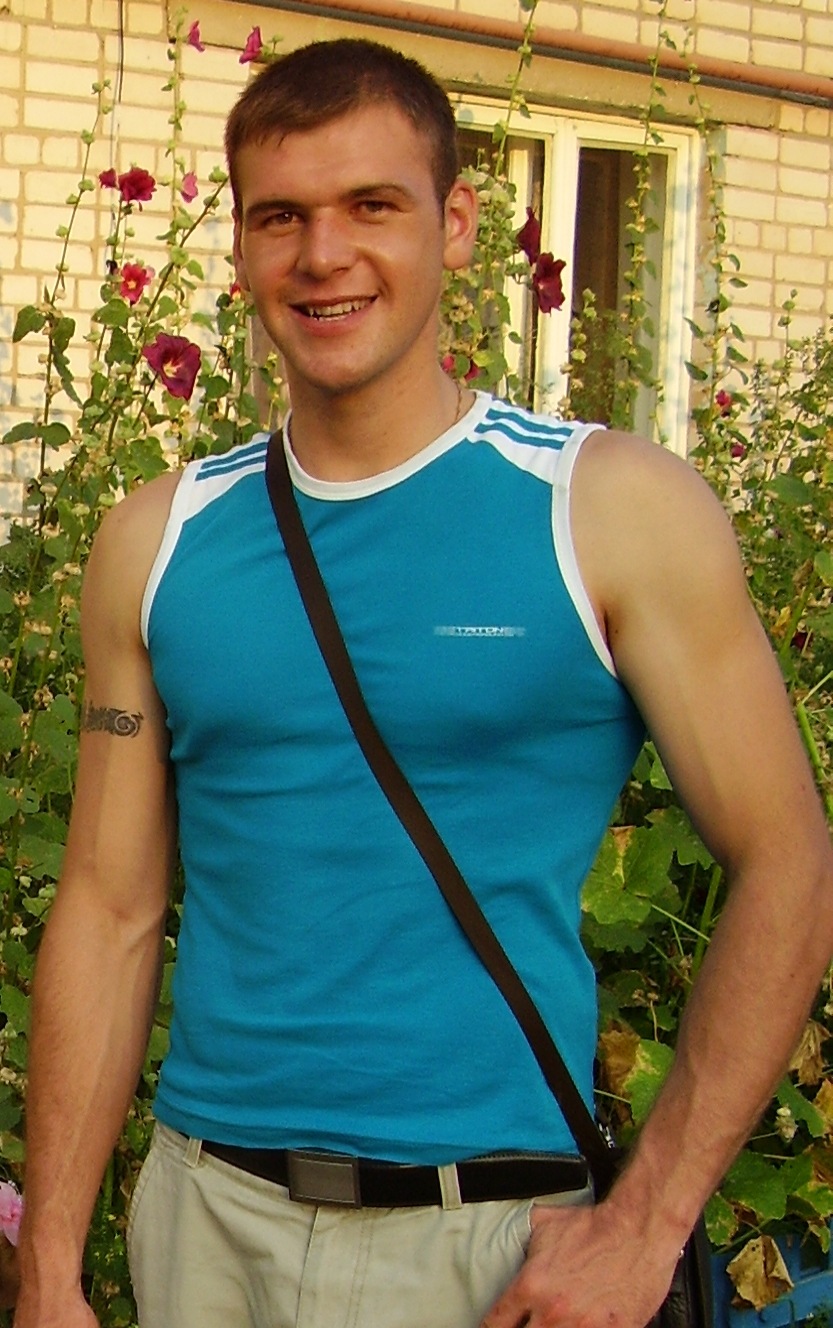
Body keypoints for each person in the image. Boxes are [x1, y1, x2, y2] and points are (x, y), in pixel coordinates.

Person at [13, 37, 833, 1328]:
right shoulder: (158, 540)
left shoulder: (606, 511)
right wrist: (51, 1265)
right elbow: (111, 908)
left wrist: (646, 1222)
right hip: (206, 1226)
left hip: (489, 1244)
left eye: (371, 206)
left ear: (457, 225)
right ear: (241, 249)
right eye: (280, 217)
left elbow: (790, 860)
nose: (322, 255)